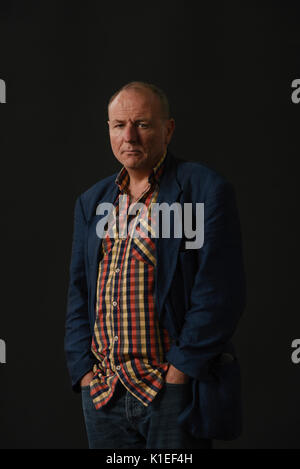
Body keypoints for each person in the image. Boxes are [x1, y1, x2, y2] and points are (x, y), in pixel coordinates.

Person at [65, 81, 246, 449]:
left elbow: (219, 292)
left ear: (168, 129)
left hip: (168, 391)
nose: (129, 136)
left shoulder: (202, 190)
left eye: (143, 124)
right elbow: (79, 293)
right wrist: (84, 372)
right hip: (103, 392)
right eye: (119, 125)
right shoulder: (92, 202)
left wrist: (180, 373)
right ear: (110, 130)